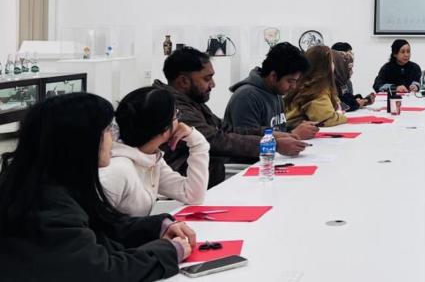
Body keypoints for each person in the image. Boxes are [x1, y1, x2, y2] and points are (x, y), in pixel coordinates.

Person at [0, 93, 194, 280]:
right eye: (108, 129)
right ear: (83, 140)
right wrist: (168, 252)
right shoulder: (47, 205)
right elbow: (101, 271)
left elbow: (102, 226)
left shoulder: (50, 184)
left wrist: (157, 227)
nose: (114, 138)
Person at [156, 48, 306, 187]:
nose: (213, 84)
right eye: (207, 79)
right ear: (184, 81)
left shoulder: (192, 102)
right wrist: (273, 145)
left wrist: (269, 134)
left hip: (208, 174)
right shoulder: (173, 108)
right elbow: (215, 140)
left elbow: (225, 129)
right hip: (190, 181)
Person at [100, 87, 209, 217]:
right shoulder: (117, 169)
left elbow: (193, 195)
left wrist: (197, 142)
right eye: (176, 115)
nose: (180, 122)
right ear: (164, 128)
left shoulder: (150, 158)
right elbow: (97, 224)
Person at [224, 42, 317, 140]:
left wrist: (298, 127)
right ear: (273, 76)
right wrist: (293, 134)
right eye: (290, 81)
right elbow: (247, 141)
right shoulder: (246, 97)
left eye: (296, 81)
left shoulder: (276, 92)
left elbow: (279, 129)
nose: (293, 87)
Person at [286, 46, 348, 128]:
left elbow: (338, 104)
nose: (334, 65)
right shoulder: (314, 89)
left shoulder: (311, 84)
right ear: (324, 65)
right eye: (332, 61)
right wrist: (340, 116)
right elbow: (326, 120)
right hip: (295, 131)